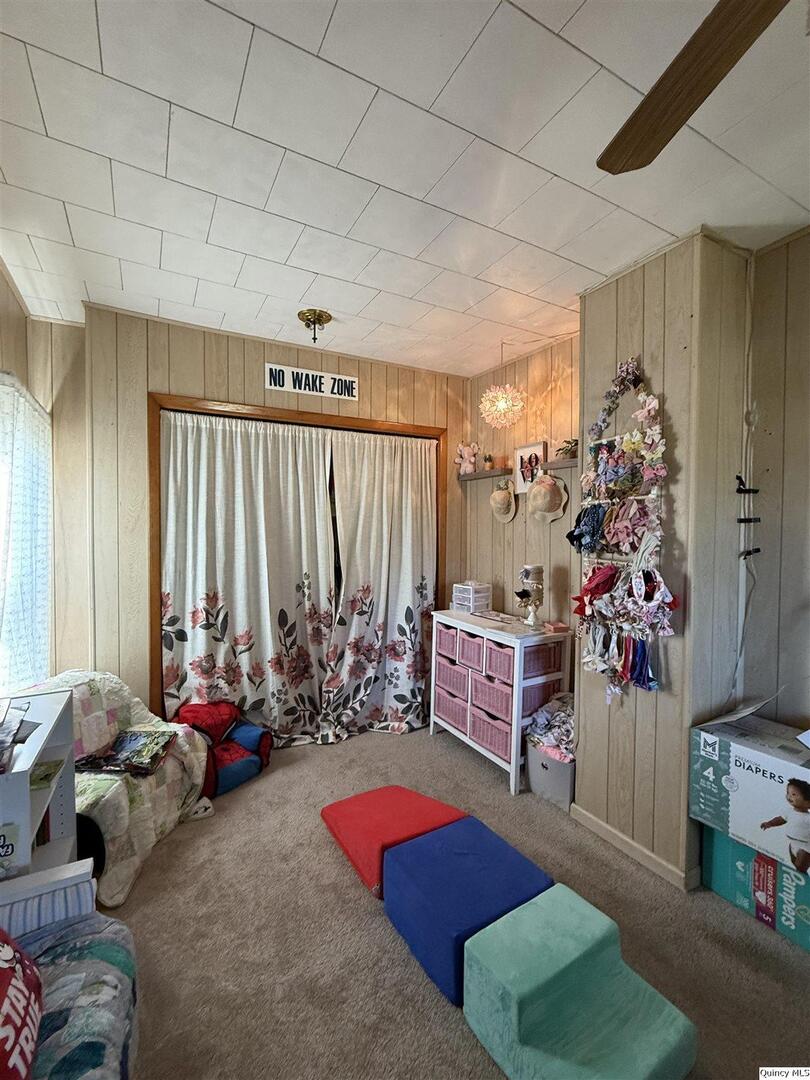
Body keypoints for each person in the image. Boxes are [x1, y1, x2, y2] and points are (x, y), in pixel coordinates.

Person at [761, 777, 810, 874]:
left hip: (805, 846)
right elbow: (780, 819)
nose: (789, 796)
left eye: (794, 794)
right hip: (792, 843)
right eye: (788, 793)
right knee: (793, 862)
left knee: (800, 867)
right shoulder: (789, 811)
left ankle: (803, 879)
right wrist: (770, 823)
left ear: (808, 802)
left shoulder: (807, 818)